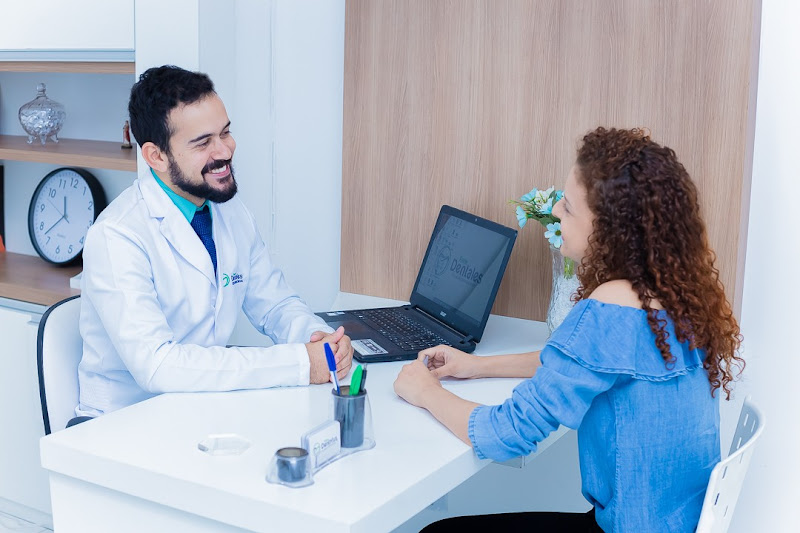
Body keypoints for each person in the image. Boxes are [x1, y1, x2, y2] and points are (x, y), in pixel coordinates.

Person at [394, 127, 743, 532]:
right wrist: (474, 366)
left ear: (611, 229)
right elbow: (576, 362)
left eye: (570, 207)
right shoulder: (675, 298)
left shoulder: (612, 305)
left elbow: (505, 434)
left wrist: (425, 391)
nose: (557, 212)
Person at [76, 65, 352, 418]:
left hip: (200, 407)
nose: (224, 151)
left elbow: (276, 304)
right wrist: (299, 363)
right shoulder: (117, 236)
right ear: (155, 156)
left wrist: (319, 340)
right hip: (124, 421)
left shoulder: (227, 210)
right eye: (203, 142)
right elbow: (158, 366)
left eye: (226, 132)